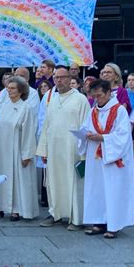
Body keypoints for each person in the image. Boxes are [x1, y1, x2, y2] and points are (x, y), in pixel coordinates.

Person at [36, 67, 90, 230]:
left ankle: (76, 218)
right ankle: (56, 213)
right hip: (54, 147)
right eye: (56, 77)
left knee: (73, 181)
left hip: (72, 148)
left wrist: (83, 152)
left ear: (69, 78)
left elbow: (86, 126)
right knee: (53, 181)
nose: (59, 80)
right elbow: (46, 125)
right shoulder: (51, 99)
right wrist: (43, 149)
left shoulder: (80, 99)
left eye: (62, 77)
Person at [79, 79, 134, 238]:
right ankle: (99, 222)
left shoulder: (119, 111)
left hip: (112, 159)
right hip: (95, 158)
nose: (97, 99)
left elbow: (123, 136)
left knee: (112, 190)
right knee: (97, 189)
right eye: (95, 96)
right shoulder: (93, 111)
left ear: (109, 93)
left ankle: (113, 225)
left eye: (100, 95)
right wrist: (84, 136)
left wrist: (102, 138)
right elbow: (85, 128)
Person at [0, 76, 39, 221]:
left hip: (17, 149)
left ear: (21, 91)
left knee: (16, 179)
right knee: (0, 176)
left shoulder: (26, 108)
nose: (9, 91)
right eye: (8, 88)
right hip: (2, 149)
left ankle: (16, 209)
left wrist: (27, 154)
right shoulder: (3, 106)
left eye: (12, 88)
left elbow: (29, 131)